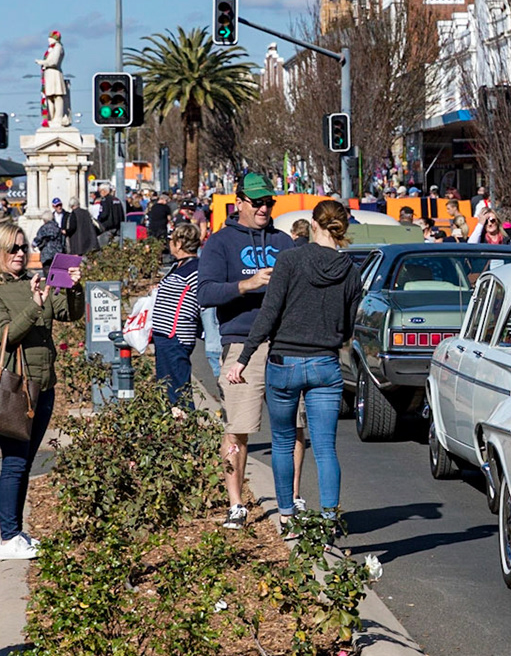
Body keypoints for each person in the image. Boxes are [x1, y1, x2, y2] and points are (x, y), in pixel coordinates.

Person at [226, 200, 361, 537]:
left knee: (284, 443)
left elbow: (269, 313)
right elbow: (348, 324)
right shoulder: (350, 270)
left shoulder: (289, 260)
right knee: (326, 447)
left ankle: (287, 517)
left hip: (284, 362)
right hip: (325, 364)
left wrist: (244, 358)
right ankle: (330, 519)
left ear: (313, 224)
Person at [0, 222, 80, 560]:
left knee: (26, 461)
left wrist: (74, 287)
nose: (21, 254)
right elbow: (7, 332)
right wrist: (35, 304)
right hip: (16, 388)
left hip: (43, 385)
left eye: (23, 247)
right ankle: (7, 538)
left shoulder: (30, 282)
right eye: (13, 249)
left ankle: (16, 532)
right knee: (15, 463)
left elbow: (68, 313)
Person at [200, 173, 295, 531]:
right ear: (239, 201)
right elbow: (206, 294)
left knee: (294, 426)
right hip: (240, 342)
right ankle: (236, 504)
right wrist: (247, 284)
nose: (264, 208)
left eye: (269, 202)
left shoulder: (283, 241)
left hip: (285, 342)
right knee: (238, 427)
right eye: (257, 202)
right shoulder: (220, 243)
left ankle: (292, 502)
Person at [148, 223, 203, 408]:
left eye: (171, 240)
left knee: (178, 391)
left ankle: (187, 431)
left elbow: (203, 297)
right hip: (165, 336)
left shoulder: (195, 269)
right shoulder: (178, 266)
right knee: (166, 387)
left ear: (179, 243)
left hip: (176, 336)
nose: (169, 244)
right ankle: (174, 429)